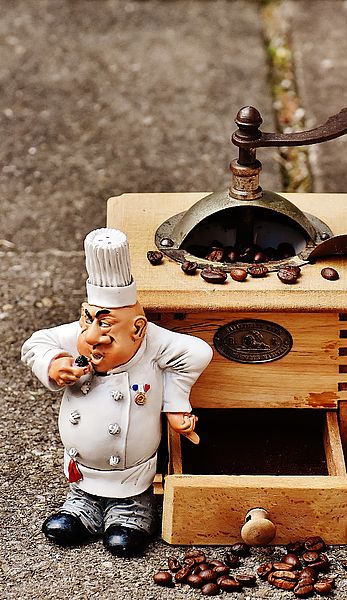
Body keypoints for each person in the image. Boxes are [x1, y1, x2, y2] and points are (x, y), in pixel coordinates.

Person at [21, 228, 213, 556]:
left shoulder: (153, 342)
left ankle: (130, 512)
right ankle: (82, 506)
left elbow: (196, 353)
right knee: (83, 487)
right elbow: (35, 344)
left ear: (137, 329)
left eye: (106, 327)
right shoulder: (79, 334)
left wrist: (175, 403)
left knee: (132, 487)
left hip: (132, 465)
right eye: (88, 321)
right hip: (81, 463)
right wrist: (54, 363)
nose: (92, 336)